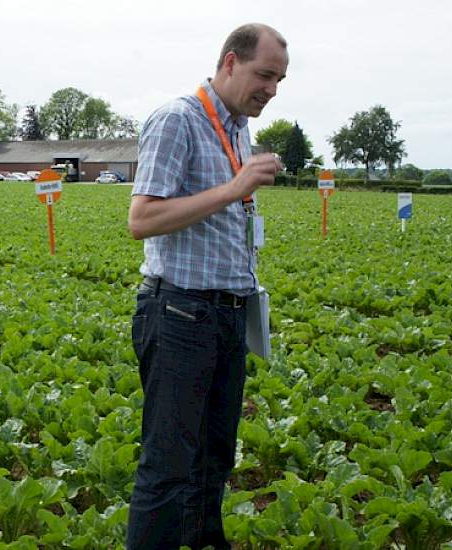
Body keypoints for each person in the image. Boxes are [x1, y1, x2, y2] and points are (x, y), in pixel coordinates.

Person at [125, 23, 288, 549]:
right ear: (230, 63)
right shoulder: (178, 120)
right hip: (179, 315)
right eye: (264, 74)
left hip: (226, 314)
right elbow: (142, 218)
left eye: (280, 80)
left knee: (213, 460)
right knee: (169, 466)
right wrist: (234, 189)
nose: (272, 88)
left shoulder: (238, 126)